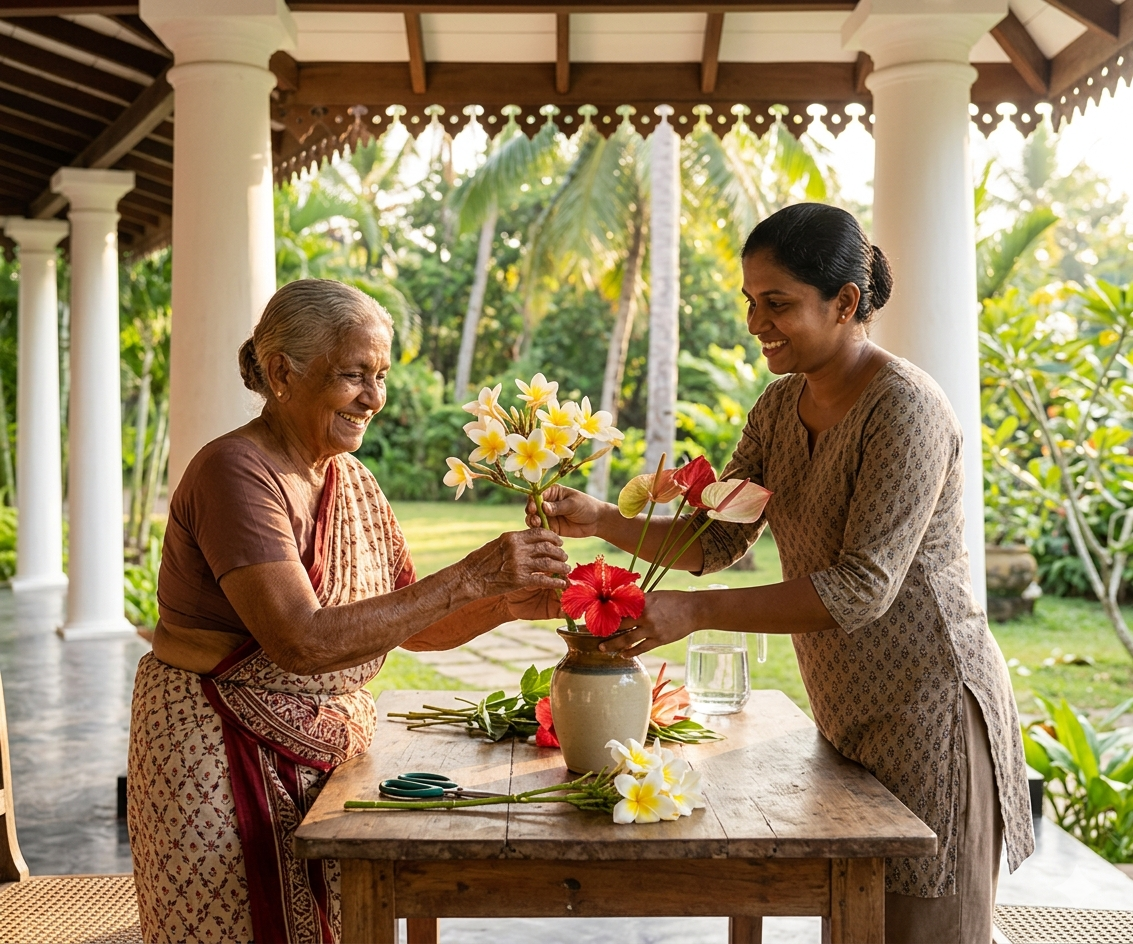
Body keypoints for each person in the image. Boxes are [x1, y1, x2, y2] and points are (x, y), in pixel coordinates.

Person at [528, 204, 1034, 943]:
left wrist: (694, 614)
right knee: (857, 921)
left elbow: (862, 588)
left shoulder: (905, 409)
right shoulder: (776, 407)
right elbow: (715, 539)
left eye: (777, 304)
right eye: (749, 301)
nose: (755, 322)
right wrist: (603, 518)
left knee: (924, 924)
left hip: (928, 712)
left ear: (845, 303)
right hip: (846, 712)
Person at [128, 279, 568, 944]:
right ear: (280, 372)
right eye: (352, 374)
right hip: (214, 751)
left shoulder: (349, 476)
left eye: (380, 375)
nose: (374, 397)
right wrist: (470, 574)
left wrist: (506, 601)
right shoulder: (236, 472)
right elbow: (299, 641)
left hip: (326, 753)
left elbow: (410, 624)